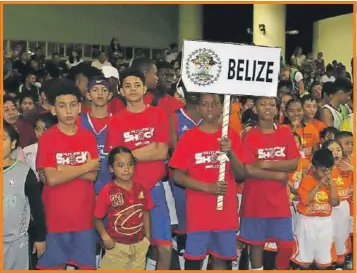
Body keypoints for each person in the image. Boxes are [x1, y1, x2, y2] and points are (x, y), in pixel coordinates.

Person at [169, 93, 247, 270]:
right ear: (198, 108)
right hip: (199, 212)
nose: (210, 109)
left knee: (221, 259)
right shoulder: (189, 138)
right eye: (205, 104)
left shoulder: (231, 136)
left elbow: (241, 175)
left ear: (222, 108)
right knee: (194, 260)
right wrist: (208, 188)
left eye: (214, 104)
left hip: (225, 212)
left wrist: (230, 153)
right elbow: (178, 176)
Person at [105, 68, 171, 270]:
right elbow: (117, 160)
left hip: (155, 188)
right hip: (127, 192)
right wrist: (149, 147)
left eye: (137, 85)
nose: (132, 89)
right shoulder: (116, 120)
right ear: (121, 92)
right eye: (127, 85)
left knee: (165, 248)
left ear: (145, 89)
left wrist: (129, 155)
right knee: (130, 248)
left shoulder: (158, 114)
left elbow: (161, 152)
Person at [35, 79, 100, 270]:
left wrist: (62, 169)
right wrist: (84, 166)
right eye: (62, 106)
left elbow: (93, 175)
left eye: (73, 105)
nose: (69, 111)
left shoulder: (88, 136)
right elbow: (52, 179)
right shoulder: (47, 138)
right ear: (54, 110)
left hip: (84, 219)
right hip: (55, 219)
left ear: (80, 107)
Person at [238, 96, 300, 270]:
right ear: (255, 109)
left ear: (277, 110)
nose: (267, 108)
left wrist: (266, 164)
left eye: (272, 104)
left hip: (279, 200)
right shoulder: (249, 136)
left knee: (286, 245)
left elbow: (294, 162)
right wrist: (278, 176)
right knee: (256, 244)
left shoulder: (285, 132)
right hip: (255, 200)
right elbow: (249, 170)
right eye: (263, 104)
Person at [94, 146, 152, 270]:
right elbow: (96, 218)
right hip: (117, 247)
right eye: (120, 165)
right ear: (111, 169)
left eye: (130, 164)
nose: (126, 169)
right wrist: (105, 237)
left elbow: (146, 211)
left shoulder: (141, 188)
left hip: (139, 246)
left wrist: (147, 237)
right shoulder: (108, 191)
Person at [3, 121, 47, 270]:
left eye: (3, 139)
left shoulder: (24, 172)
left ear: (13, 144)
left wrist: (41, 237)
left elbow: (37, 207)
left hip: (16, 243)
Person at [291, 148, 339, 269]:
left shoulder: (331, 182)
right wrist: (319, 185)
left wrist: (331, 185)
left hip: (325, 223)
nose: (327, 174)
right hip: (307, 222)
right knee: (305, 261)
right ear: (314, 167)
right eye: (323, 171)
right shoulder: (307, 180)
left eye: (330, 170)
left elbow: (334, 202)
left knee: (323, 261)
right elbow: (306, 200)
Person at [321, 139, 351, 269]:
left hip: (343, 208)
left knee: (341, 236)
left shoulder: (347, 168)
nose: (335, 153)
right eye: (331, 150)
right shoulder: (321, 171)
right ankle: (328, 263)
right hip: (327, 208)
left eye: (338, 149)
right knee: (328, 236)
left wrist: (353, 170)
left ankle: (340, 263)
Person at [23, 113, 58, 179]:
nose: (40, 133)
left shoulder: (61, 149)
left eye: (45, 130)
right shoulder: (27, 150)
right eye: (37, 129)